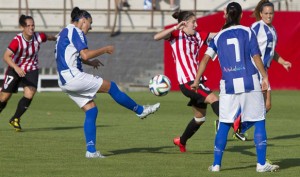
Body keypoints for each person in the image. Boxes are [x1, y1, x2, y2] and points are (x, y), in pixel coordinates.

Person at [55, 7, 160, 158]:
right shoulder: (75, 31)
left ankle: (91, 151)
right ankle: (140, 110)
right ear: (83, 20)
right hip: (72, 77)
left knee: (91, 110)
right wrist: (105, 49)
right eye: (89, 23)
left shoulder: (64, 32)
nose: (90, 27)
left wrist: (90, 63)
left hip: (64, 79)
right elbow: (84, 53)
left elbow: (75, 56)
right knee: (111, 87)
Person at [191, 2, 279, 172]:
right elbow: (256, 56)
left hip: (228, 85)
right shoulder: (248, 31)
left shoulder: (218, 37)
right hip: (249, 81)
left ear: (226, 15)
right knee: (259, 120)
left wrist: (196, 81)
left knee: (224, 123)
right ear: (240, 16)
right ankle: (261, 164)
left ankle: (216, 165)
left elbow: (205, 60)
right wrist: (265, 77)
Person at [154, 11, 219, 153]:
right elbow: (156, 37)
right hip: (188, 83)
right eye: (193, 22)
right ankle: (234, 125)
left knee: (200, 118)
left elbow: (217, 35)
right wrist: (174, 28)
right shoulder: (176, 35)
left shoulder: (197, 35)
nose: (196, 25)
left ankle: (181, 141)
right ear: (184, 24)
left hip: (197, 81)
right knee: (214, 99)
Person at [235, 0, 292, 137]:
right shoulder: (257, 27)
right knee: (263, 105)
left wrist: (283, 62)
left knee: (265, 106)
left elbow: (271, 52)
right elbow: (246, 43)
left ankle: (235, 126)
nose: (269, 16)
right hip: (255, 70)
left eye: (271, 13)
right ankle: (236, 126)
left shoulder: (273, 30)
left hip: (263, 71)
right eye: (266, 13)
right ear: (260, 14)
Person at [0, 15, 57, 132]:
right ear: (22, 27)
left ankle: (15, 118)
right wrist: (16, 68)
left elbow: (48, 37)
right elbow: (6, 57)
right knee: (4, 97)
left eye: (33, 25)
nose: (31, 28)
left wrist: (56, 38)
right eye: (28, 26)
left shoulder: (38, 36)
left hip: (31, 69)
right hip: (15, 68)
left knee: (30, 93)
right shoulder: (17, 41)